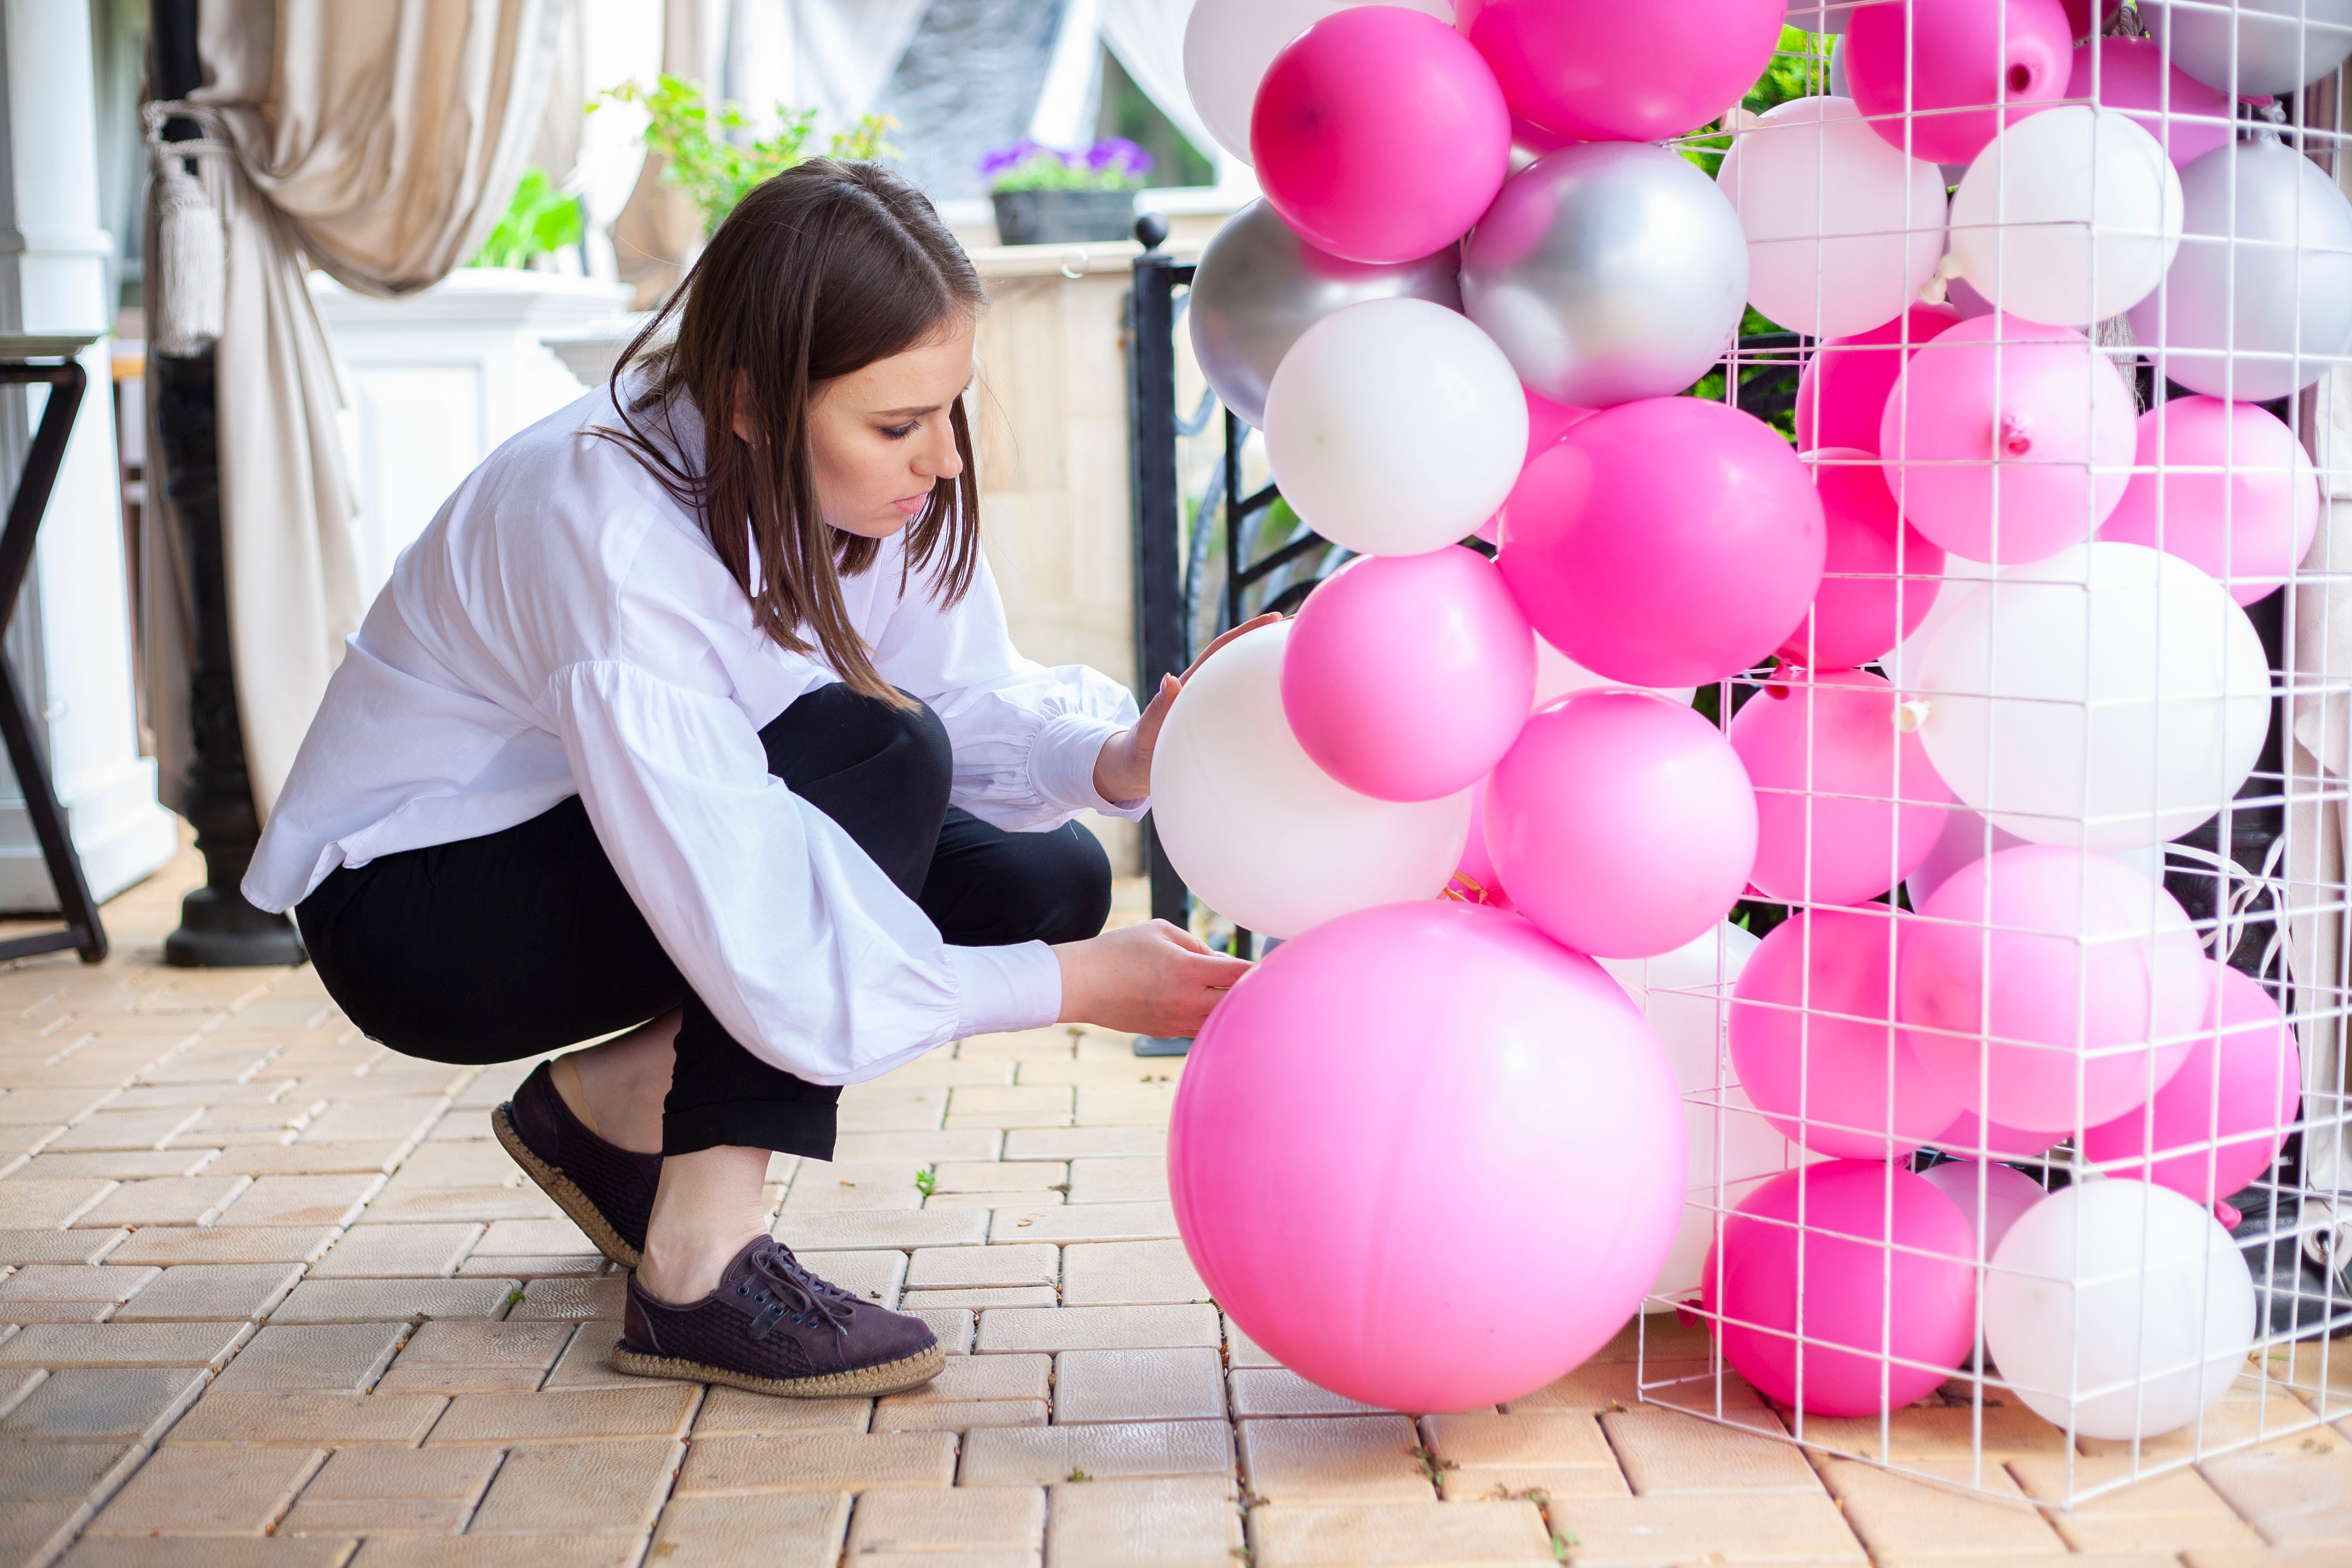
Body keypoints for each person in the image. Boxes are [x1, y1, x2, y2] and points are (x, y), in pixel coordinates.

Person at [244, 159, 1258, 1399]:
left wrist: (1108, 759)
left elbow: (952, 684)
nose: (941, 458)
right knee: (882, 758)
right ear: (751, 405)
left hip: (598, 836)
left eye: (952, 409)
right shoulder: (607, 527)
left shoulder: (860, 483)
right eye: (897, 425)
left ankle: (612, 1115)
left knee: (1042, 873)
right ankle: (698, 1266)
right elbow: (773, 920)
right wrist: (1077, 991)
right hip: (415, 913)